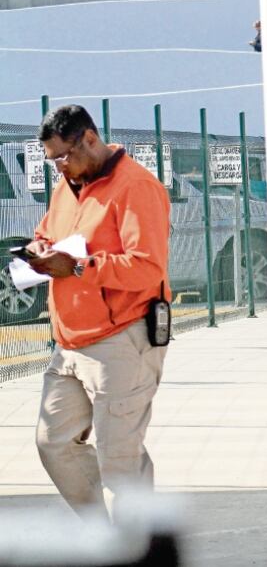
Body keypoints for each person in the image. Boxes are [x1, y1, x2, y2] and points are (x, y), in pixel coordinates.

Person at [26, 104, 171, 521]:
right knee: (53, 441)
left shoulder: (136, 186)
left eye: (64, 157)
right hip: (70, 342)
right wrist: (39, 248)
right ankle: (104, 535)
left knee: (120, 459)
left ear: (90, 138)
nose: (59, 168)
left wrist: (73, 267)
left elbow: (146, 266)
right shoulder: (67, 186)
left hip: (122, 339)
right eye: (52, 160)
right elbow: (47, 231)